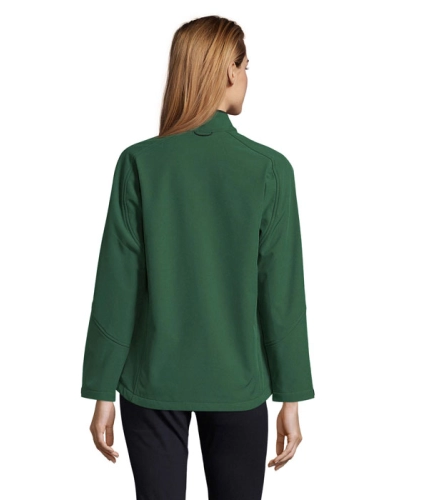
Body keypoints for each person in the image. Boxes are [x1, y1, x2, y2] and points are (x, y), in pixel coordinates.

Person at [80, 14, 315, 500]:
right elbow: (282, 295)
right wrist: (291, 396)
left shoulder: (139, 163)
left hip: (150, 383)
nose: (247, 78)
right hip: (237, 385)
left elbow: (117, 285)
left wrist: (102, 389)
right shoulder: (270, 170)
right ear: (229, 70)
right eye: (246, 67)